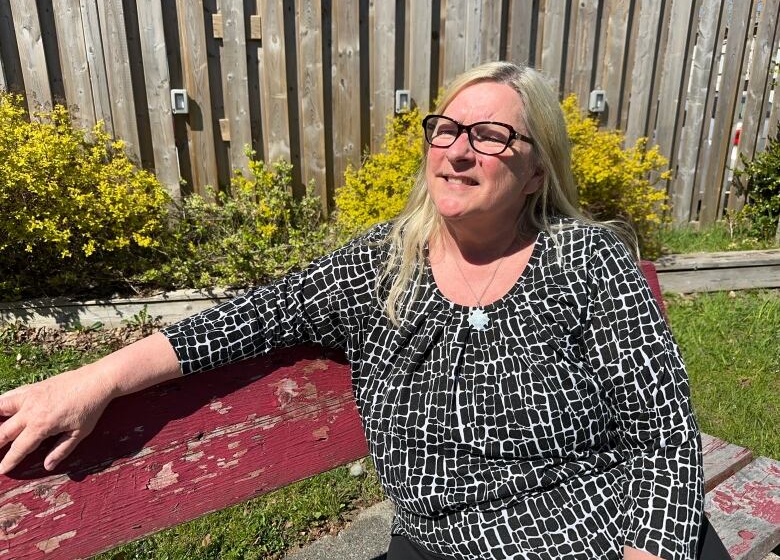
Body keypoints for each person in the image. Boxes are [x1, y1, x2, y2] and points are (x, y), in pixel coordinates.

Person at [0, 61, 726, 560]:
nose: (460, 151)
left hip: (607, 534)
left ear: (537, 169)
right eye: (447, 129)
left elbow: (663, 437)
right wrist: (94, 379)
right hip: (443, 546)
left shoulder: (586, 262)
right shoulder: (381, 267)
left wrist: (646, 549)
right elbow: (251, 316)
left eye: (492, 135)